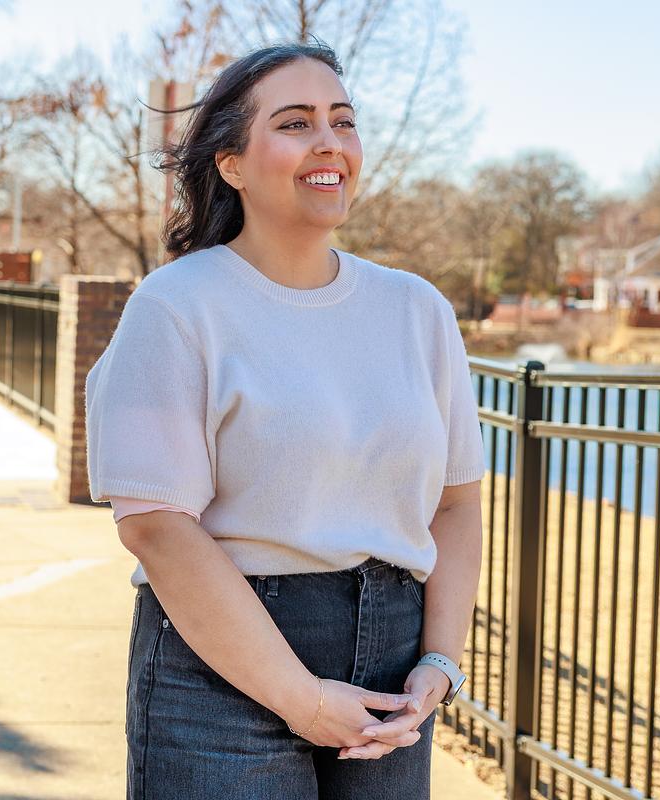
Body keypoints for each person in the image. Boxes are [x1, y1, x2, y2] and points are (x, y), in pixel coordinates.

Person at [83, 40, 486, 799]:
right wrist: (300, 699)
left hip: (394, 671)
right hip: (221, 672)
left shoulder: (417, 310)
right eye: (296, 123)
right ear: (231, 163)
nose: (330, 141)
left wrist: (440, 663)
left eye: (342, 121)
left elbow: (457, 504)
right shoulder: (176, 308)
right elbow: (157, 528)